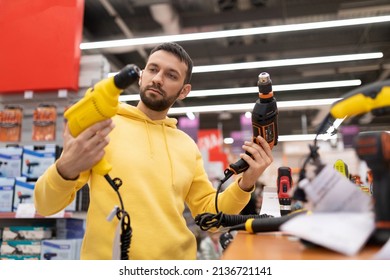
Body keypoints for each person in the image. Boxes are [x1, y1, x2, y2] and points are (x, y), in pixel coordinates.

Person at [33, 42, 273, 260]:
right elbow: (45, 206)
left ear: (183, 91)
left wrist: (246, 182)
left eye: (171, 75)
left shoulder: (186, 146)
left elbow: (210, 218)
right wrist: (65, 168)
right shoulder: (104, 126)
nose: (158, 78)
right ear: (141, 76)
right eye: (152, 69)